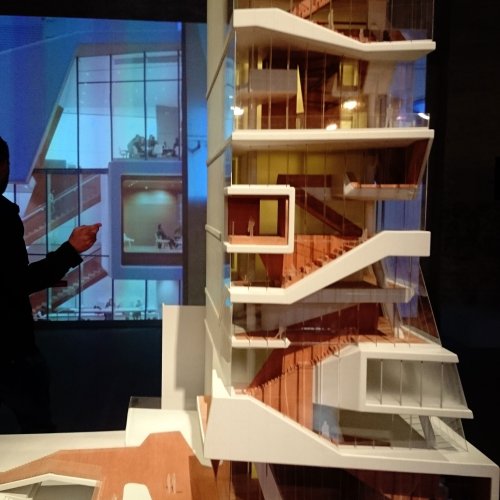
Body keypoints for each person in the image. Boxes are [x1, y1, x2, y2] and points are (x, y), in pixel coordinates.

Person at [0, 136, 102, 433]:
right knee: (38, 433)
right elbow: (17, 282)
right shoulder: (3, 216)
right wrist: (70, 250)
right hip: (11, 352)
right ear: (3, 166)